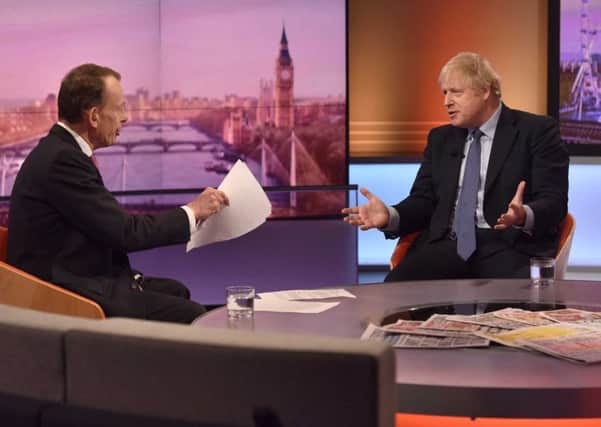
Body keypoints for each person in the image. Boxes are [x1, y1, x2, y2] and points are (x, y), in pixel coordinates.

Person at [7, 63, 229, 323]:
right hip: (62, 292)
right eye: (120, 108)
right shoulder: (62, 160)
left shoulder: (61, 151)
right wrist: (192, 212)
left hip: (80, 275)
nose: (126, 118)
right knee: (192, 315)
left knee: (178, 291)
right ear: (93, 116)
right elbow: (124, 233)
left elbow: (106, 226)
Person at [343, 52, 569, 282]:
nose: (446, 101)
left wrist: (523, 215)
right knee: (394, 293)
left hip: (510, 246)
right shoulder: (441, 139)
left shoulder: (536, 131)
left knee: (516, 307)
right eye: (445, 92)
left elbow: (554, 200)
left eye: (456, 92)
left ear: (485, 90)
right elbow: (424, 201)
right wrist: (391, 215)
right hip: (448, 245)